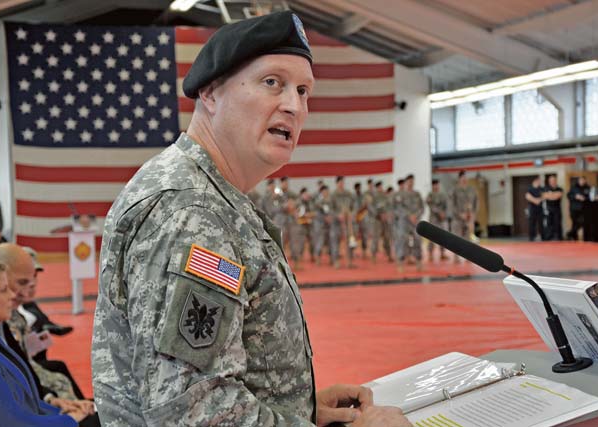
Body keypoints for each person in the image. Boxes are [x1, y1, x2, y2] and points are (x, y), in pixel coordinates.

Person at [92, 11, 410, 427]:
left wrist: (298, 406)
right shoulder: (193, 212)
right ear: (210, 93)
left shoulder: (210, 193)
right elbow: (193, 413)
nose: (294, 106)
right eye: (272, 82)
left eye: (303, 90)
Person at [0, 258, 78, 426]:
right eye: (4, 290)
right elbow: (12, 421)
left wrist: (63, 412)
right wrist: (71, 420)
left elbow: (25, 406)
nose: (12, 295)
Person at [395, 175, 424, 271]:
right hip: (404, 222)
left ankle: (418, 262)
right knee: (403, 241)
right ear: (406, 183)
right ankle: (401, 263)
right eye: (409, 181)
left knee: (417, 240)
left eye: (412, 181)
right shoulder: (400, 195)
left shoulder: (417, 194)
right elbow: (399, 208)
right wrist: (409, 215)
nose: (411, 183)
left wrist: (416, 215)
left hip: (415, 221)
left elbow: (422, 207)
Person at [450, 170, 478, 262]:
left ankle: (468, 256)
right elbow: (452, 205)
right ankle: (456, 257)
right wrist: (460, 214)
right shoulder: (455, 190)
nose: (465, 179)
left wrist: (473, 214)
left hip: (469, 218)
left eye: (466, 177)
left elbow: (476, 203)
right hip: (457, 218)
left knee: (468, 238)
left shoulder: (472, 189)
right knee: (456, 238)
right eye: (463, 177)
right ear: (459, 178)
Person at [331, 176, 356, 268]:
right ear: (336, 183)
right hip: (337, 223)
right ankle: (336, 261)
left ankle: (349, 261)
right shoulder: (333, 195)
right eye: (339, 182)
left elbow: (354, 206)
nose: (341, 184)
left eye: (342, 182)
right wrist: (337, 215)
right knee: (335, 242)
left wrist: (352, 214)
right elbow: (330, 209)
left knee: (350, 241)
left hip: (348, 223)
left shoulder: (348, 194)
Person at [426, 179, 448, 261]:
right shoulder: (430, 195)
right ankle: (430, 254)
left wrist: (444, 213)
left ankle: (442, 253)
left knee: (443, 236)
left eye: (437, 184)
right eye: (434, 185)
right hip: (433, 219)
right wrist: (439, 212)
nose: (436, 186)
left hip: (442, 219)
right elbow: (430, 205)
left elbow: (446, 205)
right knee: (432, 236)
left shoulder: (443, 195)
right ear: (432, 186)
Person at [567, 176, 590, 240]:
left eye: (583, 180)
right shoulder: (574, 187)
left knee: (582, 222)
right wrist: (575, 196)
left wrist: (584, 198)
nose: (582, 181)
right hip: (574, 209)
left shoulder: (587, 187)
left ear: (585, 181)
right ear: (578, 181)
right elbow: (568, 195)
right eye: (580, 180)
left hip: (584, 209)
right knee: (575, 223)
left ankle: (570, 233)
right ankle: (574, 237)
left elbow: (590, 197)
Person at [542, 175, 563, 241]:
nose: (552, 182)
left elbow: (558, 196)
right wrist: (553, 195)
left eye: (554, 180)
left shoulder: (559, 188)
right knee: (549, 224)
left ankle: (558, 238)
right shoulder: (545, 188)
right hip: (548, 209)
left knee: (557, 223)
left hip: (557, 209)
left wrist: (550, 195)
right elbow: (545, 196)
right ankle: (549, 238)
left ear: (556, 180)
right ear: (549, 181)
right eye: (551, 180)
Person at [525, 176, 544, 241]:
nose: (540, 182)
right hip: (532, 208)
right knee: (532, 223)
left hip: (540, 208)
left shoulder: (541, 188)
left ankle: (542, 236)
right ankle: (531, 237)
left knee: (540, 223)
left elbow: (544, 196)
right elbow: (528, 196)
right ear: (535, 181)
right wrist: (535, 200)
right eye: (539, 181)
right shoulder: (530, 188)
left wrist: (539, 200)